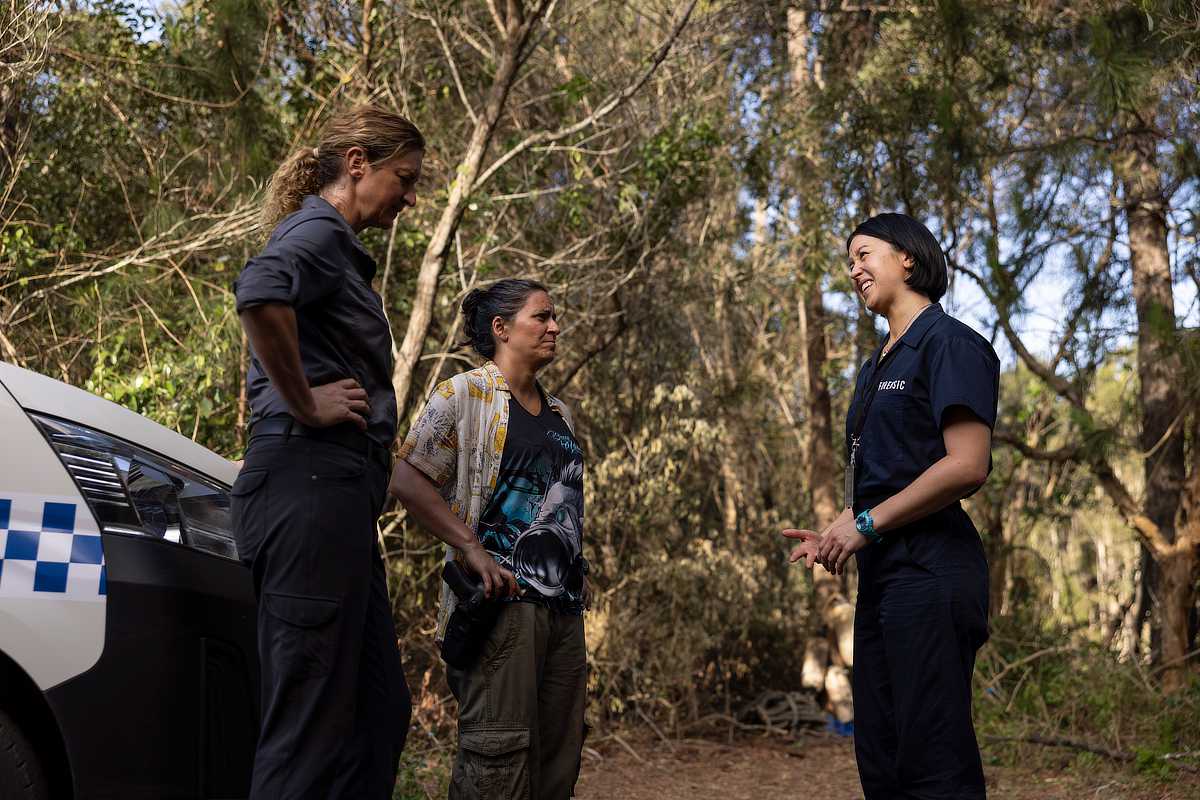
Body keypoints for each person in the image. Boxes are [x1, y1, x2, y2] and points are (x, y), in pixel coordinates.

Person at [230, 105, 424, 799]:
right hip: (307, 488)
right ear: (358, 164)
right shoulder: (316, 229)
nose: (410, 195)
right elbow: (258, 293)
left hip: (340, 505)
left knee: (377, 713)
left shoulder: (335, 243)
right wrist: (307, 401)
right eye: (404, 177)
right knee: (308, 726)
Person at [783, 213, 999, 800]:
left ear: (908, 257)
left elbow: (966, 464)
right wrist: (839, 530)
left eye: (864, 253)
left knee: (933, 759)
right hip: (883, 578)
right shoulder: (875, 364)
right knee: (880, 752)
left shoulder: (951, 343)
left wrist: (865, 523)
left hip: (933, 572)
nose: (853, 269)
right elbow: (883, 476)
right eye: (848, 261)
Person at [390, 279, 588, 800]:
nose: (555, 327)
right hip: (502, 610)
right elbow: (408, 480)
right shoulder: (464, 395)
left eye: (554, 317)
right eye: (541, 317)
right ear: (501, 328)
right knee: (496, 765)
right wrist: (471, 546)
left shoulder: (561, 415)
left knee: (557, 762)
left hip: (564, 614)